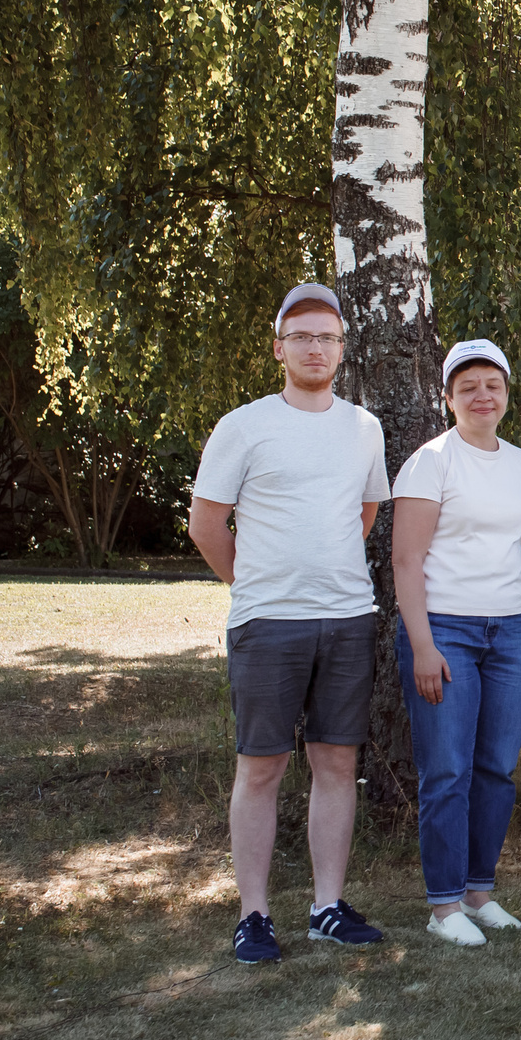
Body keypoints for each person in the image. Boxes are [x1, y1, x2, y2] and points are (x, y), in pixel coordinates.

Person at [188, 284, 393, 964]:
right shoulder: (242, 425)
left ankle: (326, 907)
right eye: (302, 336)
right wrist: (254, 583)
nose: (315, 347)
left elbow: (363, 515)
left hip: (345, 619)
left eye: (328, 337)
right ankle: (254, 916)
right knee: (262, 767)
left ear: (341, 348)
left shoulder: (364, 427)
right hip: (267, 623)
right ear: (279, 348)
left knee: (337, 762)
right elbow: (206, 523)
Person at [391, 338, 521, 947]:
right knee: (448, 771)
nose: (481, 395)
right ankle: (443, 906)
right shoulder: (430, 462)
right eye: (468, 387)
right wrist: (424, 645)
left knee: (497, 769)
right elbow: (406, 562)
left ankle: (479, 894)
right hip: (446, 631)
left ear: (506, 393)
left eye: (492, 384)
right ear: (449, 399)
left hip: (512, 632)